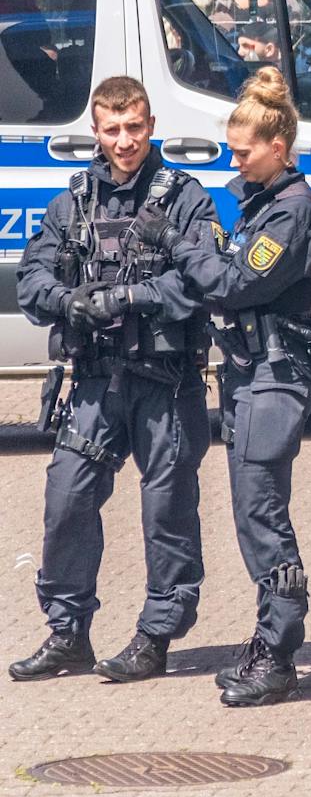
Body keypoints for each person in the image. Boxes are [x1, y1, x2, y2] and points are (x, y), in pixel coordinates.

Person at [9, 76, 221, 685]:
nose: (124, 142)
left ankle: (156, 635)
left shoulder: (186, 199)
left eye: (134, 128)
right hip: (98, 383)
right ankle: (68, 632)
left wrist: (132, 295)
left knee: (167, 510)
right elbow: (31, 280)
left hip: (164, 382)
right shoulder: (72, 201)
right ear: (96, 132)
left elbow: (201, 281)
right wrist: (71, 300)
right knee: (68, 498)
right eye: (112, 130)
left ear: (150, 126)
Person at [185, 67, 311, 707]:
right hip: (251, 373)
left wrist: (191, 252)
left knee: (261, 512)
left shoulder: (293, 213)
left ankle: (278, 651)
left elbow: (236, 284)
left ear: (279, 147)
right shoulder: (265, 203)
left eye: (243, 151)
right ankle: (267, 638)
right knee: (253, 512)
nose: (234, 160)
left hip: (276, 376)